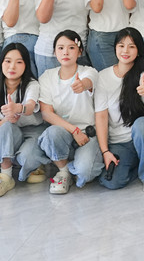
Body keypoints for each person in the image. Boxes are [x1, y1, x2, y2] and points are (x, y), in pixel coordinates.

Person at [94, 28, 144, 192]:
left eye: (131, 46)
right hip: (121, 142)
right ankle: (140, 164)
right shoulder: (103, 77)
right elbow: (101, 117)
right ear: (115, 48)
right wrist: (105, 151)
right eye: (121, 46)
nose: (125, 51)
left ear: (139, 50)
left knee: (141, 124)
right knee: (111, 182)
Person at [0, 44, 48, 197]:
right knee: (7, 127)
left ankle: (34, 164)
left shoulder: (32, 84)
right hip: (7, 132)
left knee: (28, 158)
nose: (12, 66)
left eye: (19, 62)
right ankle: (6, 175)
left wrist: (18, 108)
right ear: (1, 63)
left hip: (32, 131)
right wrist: (7, 119)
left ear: (26, 65)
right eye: (8, 61)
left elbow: (30, 107)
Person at [37, 30, 101, 194]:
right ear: (54, 52)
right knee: (52, 133)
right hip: (64, 132)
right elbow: (46, 113)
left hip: (87, 135)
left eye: (71, 48)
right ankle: (63, 171)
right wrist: (74, 130)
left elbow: (88, 81)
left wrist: (82, 85)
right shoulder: (47, 77)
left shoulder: (89, 71)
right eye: (60, 48)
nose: (65, 52)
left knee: (85, 173)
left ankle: (74, 163)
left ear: (80, 52)